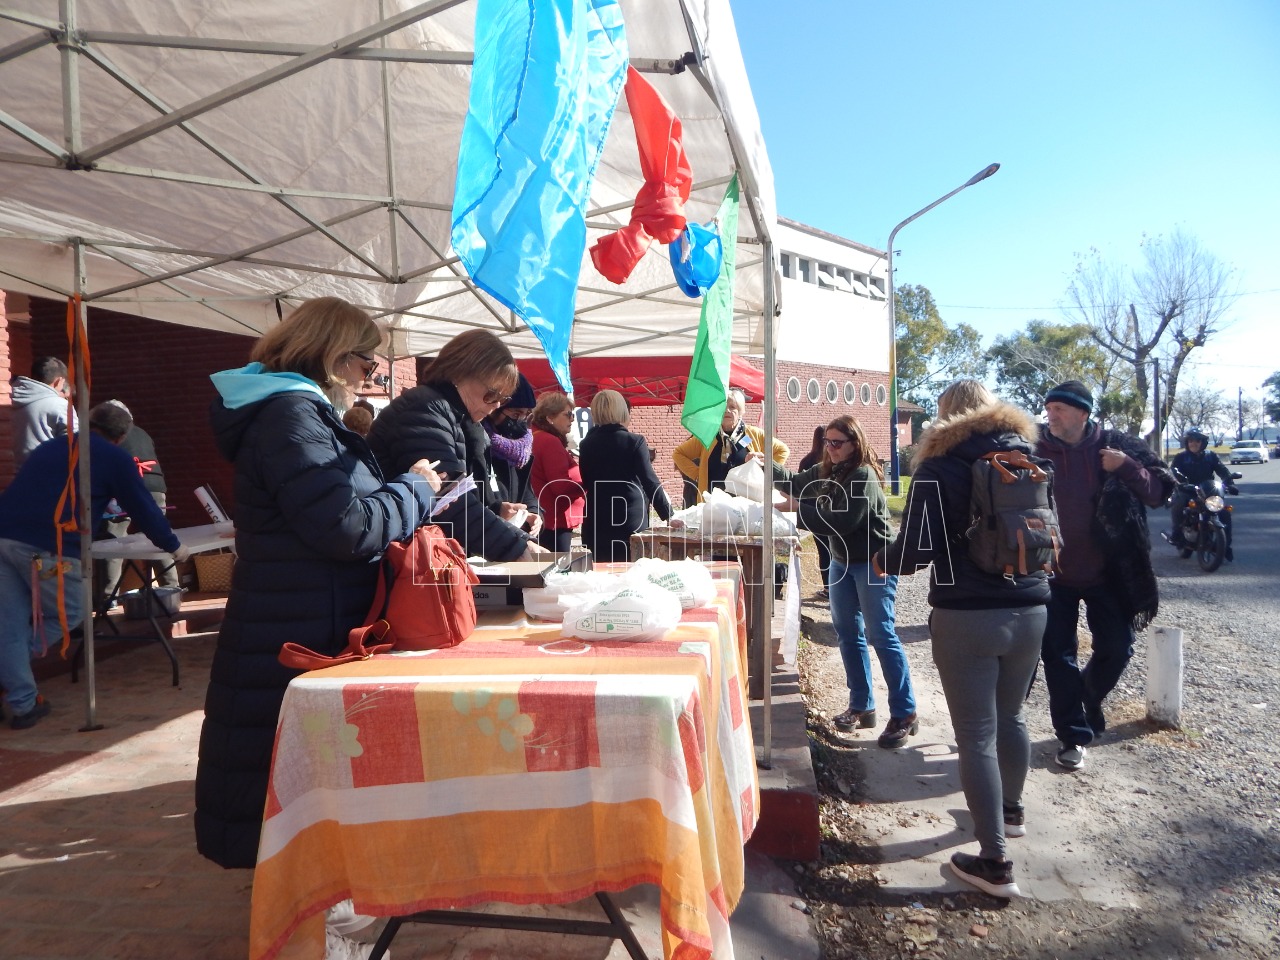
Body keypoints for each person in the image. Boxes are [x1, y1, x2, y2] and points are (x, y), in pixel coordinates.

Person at [195, 296, 441, 895]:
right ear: (333, 356)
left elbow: (333, 510)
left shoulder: (289, 413)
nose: (370, 377)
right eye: (366, 363)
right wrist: (415, 489)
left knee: (287, 774)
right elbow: (346, 526)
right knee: (285, 775)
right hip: (295, 626)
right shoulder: (291, 417)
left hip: (295, 617)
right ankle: (307, 907)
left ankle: (309, 895)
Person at [876, 380, 1050, 899]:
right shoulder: (1026, 456)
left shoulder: (939, 464)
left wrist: (886, 560)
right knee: (1012, 716)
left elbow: (915, 548)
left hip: (967, 612)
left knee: (975, 734)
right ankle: (1011, 812)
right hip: (1032, 604)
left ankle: (993, 862)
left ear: (944, 417)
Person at [0, 400, 186, 729]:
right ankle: (12, 674)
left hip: (4, 536)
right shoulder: (114, 458)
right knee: (72, 613)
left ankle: (23, 702)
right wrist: (173, 546)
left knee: (9, 625)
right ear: (121, 437)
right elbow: (143, 508)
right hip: (51, 545)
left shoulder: (53, 447)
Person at [1036, 380, 1174, 772]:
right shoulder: (1035, 450)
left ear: (1082, 413)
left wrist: (1126, 467)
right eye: (1049, 409)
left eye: (1060, 409)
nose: (1052, 415)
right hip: (1051, 573)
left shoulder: (1119, 446)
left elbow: (1159, 492)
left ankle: (1087, 697)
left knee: (1117, 648)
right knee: (1056, 656)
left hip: (1110, 573)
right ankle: (1073, 735)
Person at [769, 415, 918, 748]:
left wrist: (799, 510)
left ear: (856, 443)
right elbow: (794, 483)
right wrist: (763, 463)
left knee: (881, 635)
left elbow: (845, 521)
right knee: (847, 634)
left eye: (838, 443)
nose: (832, 449)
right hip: (842, 563)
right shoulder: (827, 470)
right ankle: (861, 704)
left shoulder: (862, 474)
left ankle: (905, 713)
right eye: (828, 442)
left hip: (873, 563)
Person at [366, 329, 547, 562]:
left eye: (503, 399)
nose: (496, 405)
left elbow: (459, 497)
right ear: (460, 373)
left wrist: (497, 513)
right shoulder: (424, 410)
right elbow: (449, 501)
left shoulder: (456, 418)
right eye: (492, 395)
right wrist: (516, 546)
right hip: (405, 561)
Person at [94, 400, 180, 607]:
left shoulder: (109, 434)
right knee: (158, 536)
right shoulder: (143, 433)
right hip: (156, 486)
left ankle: (107, 597)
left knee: (113, 541)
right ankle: (172, 587)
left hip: (127, 488)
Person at [578, 389, 672, 562]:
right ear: (622, 410)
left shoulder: (586, 444)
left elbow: (587, 480)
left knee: (601, 574)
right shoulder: (635, 441)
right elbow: (649, 481)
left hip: (597, 517)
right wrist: (668, 514)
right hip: (629, 516)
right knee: (630, 572)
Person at [672, 388, 789, 501]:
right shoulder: (708, 435)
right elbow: (678, 454)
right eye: (723, 407)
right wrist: (697, 474)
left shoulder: (754, 434)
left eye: (732, 407)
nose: (727, 411)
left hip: (746, 505)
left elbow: (782, 450)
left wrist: (766, 471)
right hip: (713, 505)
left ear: (740, 412)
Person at [482, 374, 543, 541]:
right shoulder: (479, 443)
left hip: (514, 536)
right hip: (485, 536)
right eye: (516, 414)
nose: (520, 420)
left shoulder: (521, 447)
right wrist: (497, 509)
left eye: (526, 414)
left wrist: (534, 513)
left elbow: (528, 492)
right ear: (496, 408)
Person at [1167, 428, 1237, 560]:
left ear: (1203, 442)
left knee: (1225, 513)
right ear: (1187, 442)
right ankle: (1177, 534)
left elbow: (1222, 470)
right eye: (1191, 440)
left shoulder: (1211, 456)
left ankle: (1225, 546)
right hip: (1187, 490)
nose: (1194, 443)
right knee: (1179, 502)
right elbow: (1173, 471)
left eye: (1197, 440)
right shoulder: (1181, 457)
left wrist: (1230, 483)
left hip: (1208, 491)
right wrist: (1178, 480)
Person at [529, 391, 584, 553]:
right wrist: (587, 484)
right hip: (554, 521)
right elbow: (560, 487)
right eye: (568, 414)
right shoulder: (549, 442)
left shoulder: (537, 437)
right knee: (558, 572)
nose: (572, 419)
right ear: (549, 418)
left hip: (545, 518)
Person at [10, 355, 76, 468]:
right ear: (58, 381)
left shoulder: (12, 400)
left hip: (16, 477)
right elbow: (74, 445)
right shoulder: (60, 405)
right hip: (49, 476)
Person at [795, 425, 832, 600]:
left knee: (823, 551)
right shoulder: (830, 462)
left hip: (813, 512)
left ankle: (828, 588)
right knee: (835, 551)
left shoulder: (807, 461)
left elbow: (799, 488)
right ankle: (837, 589)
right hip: (829, 511)